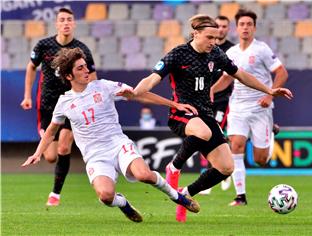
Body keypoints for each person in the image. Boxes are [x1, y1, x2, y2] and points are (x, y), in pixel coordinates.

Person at [21, 47, 200, 222]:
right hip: (95, 156)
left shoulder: (104, 86)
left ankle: (177, 197)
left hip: (118, 144)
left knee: (144, 175)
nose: (86, 70)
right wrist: (37, 153)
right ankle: (123, 203)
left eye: (86, 66)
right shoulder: (64, 102)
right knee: (106, 196)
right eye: (80, 68)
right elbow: (52, 131)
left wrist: (175, 105)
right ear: (69, 76)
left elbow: (138, 95)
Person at [131, 15, 292, 206]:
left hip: (205, 114)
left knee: (226, 167)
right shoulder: (178, 54)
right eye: (209, 37)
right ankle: (174, 166)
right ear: (195, 34)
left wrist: (269, 90)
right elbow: (147, 84)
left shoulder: (215, 54)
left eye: (216, 38)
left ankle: (185, 193)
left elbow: (240, 75)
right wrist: (162, 101)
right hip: (181, 114)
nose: (213, 42)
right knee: (203, 132)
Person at [211, 9, 289, 206]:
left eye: (249, 24)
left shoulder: (261, 49)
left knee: (261, 160)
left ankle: (270, 133)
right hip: (237, 107)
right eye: (242, 24)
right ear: (236, 28)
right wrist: (210, 90)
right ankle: (240, 196)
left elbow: (281, 73)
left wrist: (268, 96)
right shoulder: (231, 52)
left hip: (260, 108)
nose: (245, 27)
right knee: (235, 147)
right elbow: (226, 79)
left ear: (254, 28)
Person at [20, 8, 97, 207]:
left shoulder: (81, 50)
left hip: (73, 103)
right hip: (47, 105)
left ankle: (55, 194)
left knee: (64, 145)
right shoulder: (43, 45)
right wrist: (27, 96)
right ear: (56, 24)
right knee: (51, 156)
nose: (65, 23)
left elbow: (92, 75)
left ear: (74, 24)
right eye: (62, 20)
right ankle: (49, 154)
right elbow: (31, 67)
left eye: (69, 20)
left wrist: (92, 99)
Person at [198, 15, 235, 195]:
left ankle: (220, 170)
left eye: (224, 26)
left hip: (222, 100)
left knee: (216, 133)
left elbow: (234, 74)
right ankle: (214, 172)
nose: (220, 29)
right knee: (201, 136)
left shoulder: (231, 50)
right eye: (218, 26)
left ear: (228, 29)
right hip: (203, 101)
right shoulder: (204, 49)